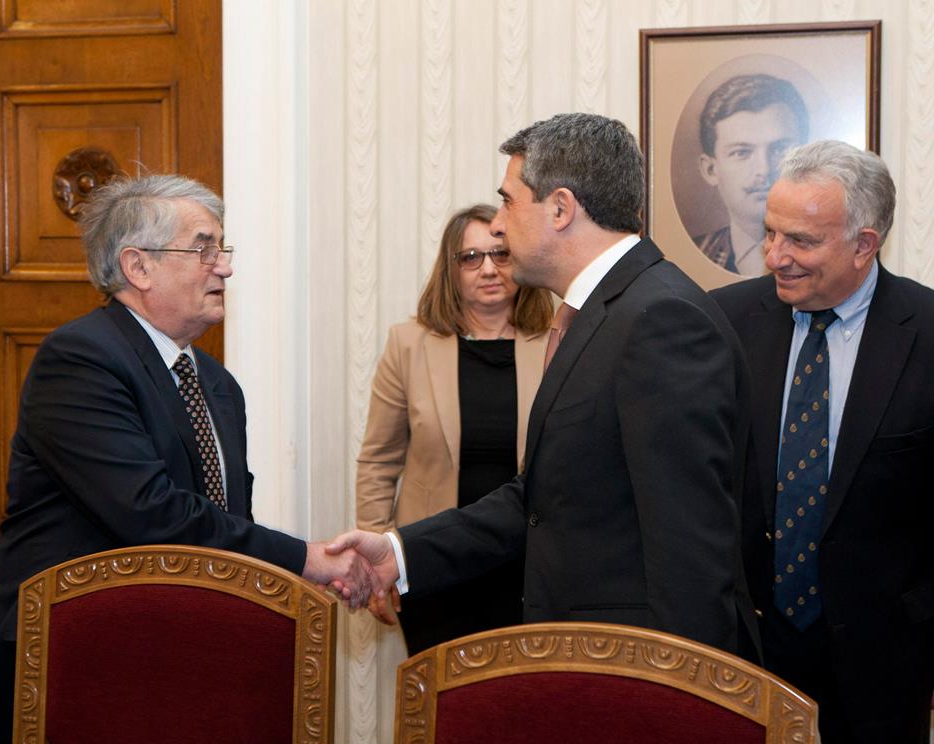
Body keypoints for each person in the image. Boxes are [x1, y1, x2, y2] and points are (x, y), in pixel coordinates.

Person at [332, 113, 760, 658]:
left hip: (636, 666)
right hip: (589, 654)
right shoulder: (604, 312)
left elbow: (690, 548)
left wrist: (678, 691)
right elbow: (542, 497)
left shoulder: (659, 319)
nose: (499, 226)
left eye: (508, 202)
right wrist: (399, 552)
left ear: (560, 208)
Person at [0, 175, 372, 743]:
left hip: (178, 656)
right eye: (204, 249)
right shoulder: (81, 359)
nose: (224, 267)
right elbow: (151, 513)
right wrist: (304, 559)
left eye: (223, 249)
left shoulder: (216, 382)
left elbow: (228, 519)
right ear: (138, 266)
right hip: (68, 660)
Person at [710, 141, 934, 743]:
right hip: (745, 654)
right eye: (770, 232)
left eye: (801, 241)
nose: (775, 257)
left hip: (884, 664)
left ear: (865, 244)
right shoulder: (723, 322)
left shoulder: (927, 332)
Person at [356, 204, 552, 654]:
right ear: (451, 269)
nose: (488, 269)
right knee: (437, 689)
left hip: (525, 563)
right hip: (434, 560)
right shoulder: (409, 344)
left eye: (500, 254)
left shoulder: (556, 341)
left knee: (519, 689)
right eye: (471, 258)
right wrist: (375, 556)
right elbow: (378, 461)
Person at [694, 74, 808, 276]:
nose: (764, 170)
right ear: (710, 169)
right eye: (741, 153)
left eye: (780, 149)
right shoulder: (699, 252)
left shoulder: (833, 255)